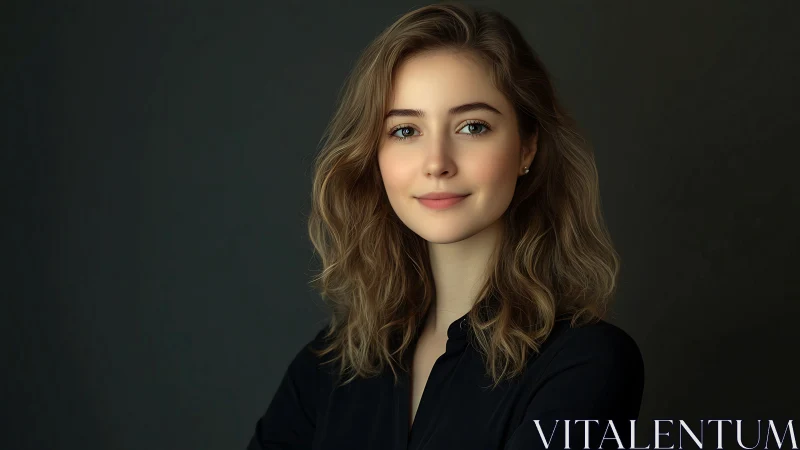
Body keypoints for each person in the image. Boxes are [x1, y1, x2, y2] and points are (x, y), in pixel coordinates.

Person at [247, 2, 644, 449]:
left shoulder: (586, 364)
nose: (437, 163)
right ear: (373, 155)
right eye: (404, 131)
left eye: (472, 127)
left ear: (527, 147)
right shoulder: (329, 366)